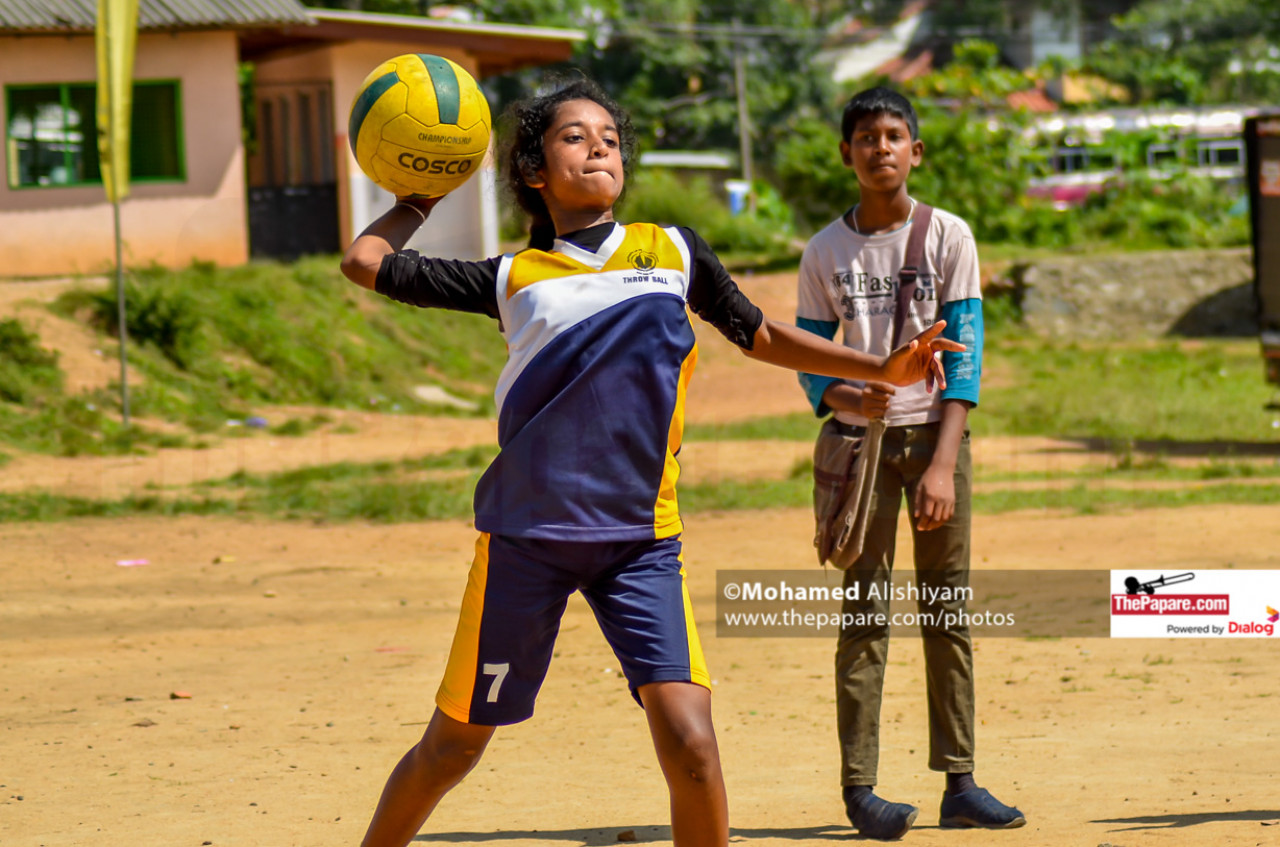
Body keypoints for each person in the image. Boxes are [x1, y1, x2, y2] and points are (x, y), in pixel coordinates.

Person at [340, 77, 963, 847]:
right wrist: (421, 199)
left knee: (692, 744)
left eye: (609, 134)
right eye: (574, 135)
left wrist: (882, 369)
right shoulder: (509, 278)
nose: (599, 143)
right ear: (534, 170)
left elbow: (759, 334)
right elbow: (365, 263)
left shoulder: (672, 250)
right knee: (453, 746)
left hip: (640, 541)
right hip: (527, 541)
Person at [795, 86, 1025, 840]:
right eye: (866, 135)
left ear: (915, 151)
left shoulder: (949, 236)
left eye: (894, 134)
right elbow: (806, 362)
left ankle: (960, 779)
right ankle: (860, 789)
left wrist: (941, 464)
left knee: (947, 612)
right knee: (863, 615)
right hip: (860, 449)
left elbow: (967, 359)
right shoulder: (824, 251)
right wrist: (848, 398)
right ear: (846, 153)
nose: (881, 147)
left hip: (934, 446)